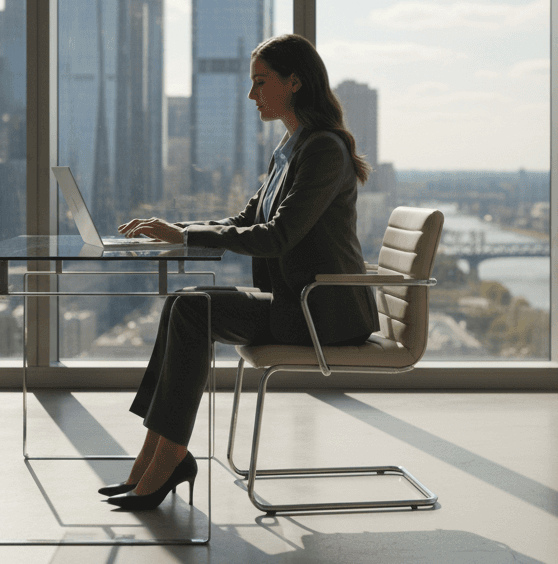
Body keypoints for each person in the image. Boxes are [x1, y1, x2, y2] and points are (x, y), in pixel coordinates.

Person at [102, 33, 375, 511]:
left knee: (190, 310)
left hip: (321, 312)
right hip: (296, 302)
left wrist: (185, 238)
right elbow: (245, 222)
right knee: (182, 305)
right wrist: (177, 230)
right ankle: (156, 454)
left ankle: (167, 457)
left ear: (294, 81)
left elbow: (276, 236)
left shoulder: (323, 150)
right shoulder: (291, 148)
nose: (252, 95)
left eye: (260, 82)